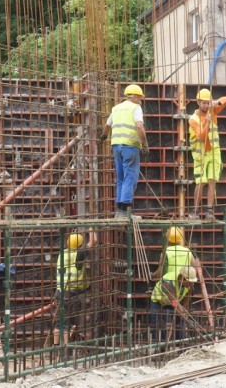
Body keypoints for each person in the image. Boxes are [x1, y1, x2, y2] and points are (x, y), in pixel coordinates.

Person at [100, 84, 149, 219]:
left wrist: (103, 137)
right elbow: (139, 126)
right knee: (130, 177)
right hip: (130, 146)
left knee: (121, 178)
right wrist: (145, 145)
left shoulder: (116, 108)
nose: (140, 100)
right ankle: (125, 212)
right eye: (139, 97)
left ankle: (120, 212)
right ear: (133, 96)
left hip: (116, 146)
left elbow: (107, 126)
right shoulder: (135, 108)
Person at [188, 89, 226, 221]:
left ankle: (209, 211)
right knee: (201, 182)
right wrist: (207, 121)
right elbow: (201, 136)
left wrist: (216, 102)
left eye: (208, 103)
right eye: (204, 103)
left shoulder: (213, 111)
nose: (207, 106)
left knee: (212, 180)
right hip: (200, 155)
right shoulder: (193, 119)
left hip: (214, 152)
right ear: (198, 102)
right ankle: (194, 212)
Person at [54, 233, 90, 344]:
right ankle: (66, 349)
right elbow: (94, 241)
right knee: (66, 323)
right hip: (70, 293)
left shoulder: (62, 254)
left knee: (59, 322)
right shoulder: (78, 255)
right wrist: (91, 227)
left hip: (59, 291)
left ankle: (55, 347)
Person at [149, 265, 197, 341]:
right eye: (189, 282)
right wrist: (183, 315)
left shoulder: (190, 284)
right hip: (159, 302)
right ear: (182, 278)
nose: (191, 284)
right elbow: (173, 301)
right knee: (158, 325)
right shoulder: (168, 281)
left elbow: (187, 298)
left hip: (175, 302)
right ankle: (160, 347)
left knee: (180, 325)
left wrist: (183, 312)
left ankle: (181, 346)